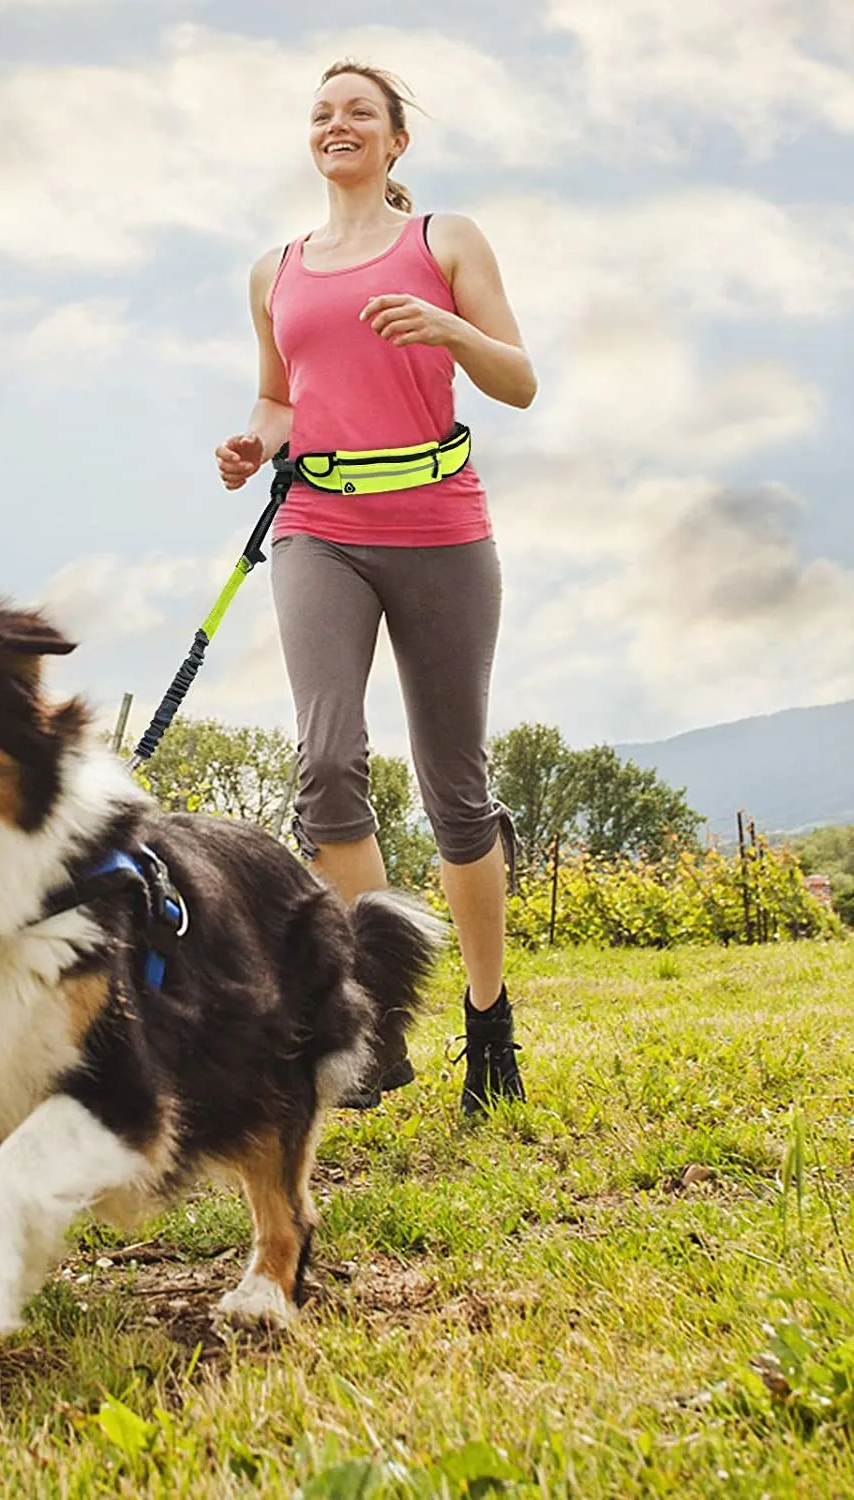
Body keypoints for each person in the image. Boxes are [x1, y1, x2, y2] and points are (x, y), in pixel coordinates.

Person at [215, 59, 536, 1116]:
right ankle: (375, 1018)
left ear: (396, 141)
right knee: (325, 761)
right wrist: (249, 442)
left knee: (455, 785)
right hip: (320, 525)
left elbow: (518, 379)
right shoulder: (276, 270)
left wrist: (447, 328)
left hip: (440, 522)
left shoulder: (445, 240)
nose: (337, 124)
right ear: (310, 141)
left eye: (360, 112)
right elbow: (279, 400)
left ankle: (488, 1019)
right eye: (321, 114)